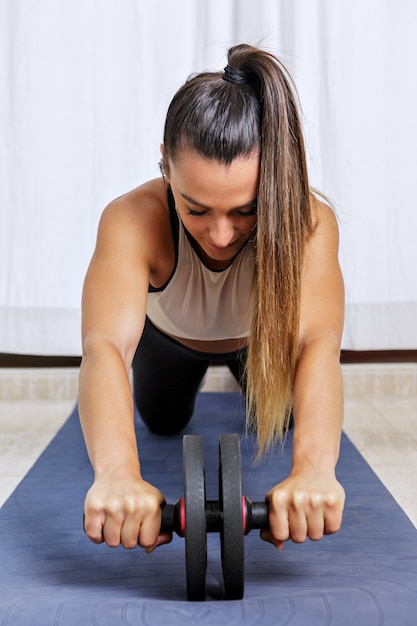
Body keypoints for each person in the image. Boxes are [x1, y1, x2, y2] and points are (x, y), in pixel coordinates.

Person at [79, 43, 345, 554]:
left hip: (260, 343)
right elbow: (105, 345)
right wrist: (116, 474)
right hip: (169, 345)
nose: (221, 235)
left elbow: (318, 341)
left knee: (288, 420)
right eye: (196, 209)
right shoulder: (131, 220)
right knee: (161, 422)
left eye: (245, 211)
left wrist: (314, 469)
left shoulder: (310, 223)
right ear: (165, 167)